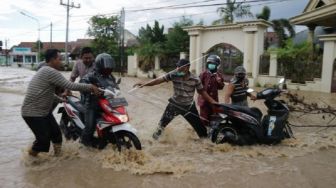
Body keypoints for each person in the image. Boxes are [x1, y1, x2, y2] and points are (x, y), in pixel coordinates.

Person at [21, 49, 101, 157]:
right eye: (59, 59)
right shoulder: (50, 71)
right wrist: (90, 87)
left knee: (57, 135)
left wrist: (61, 100)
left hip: (43, 112)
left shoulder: (44, 70)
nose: (61, 62)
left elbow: (45, 93)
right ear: (53, 60)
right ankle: (30, 160)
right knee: (43, 142)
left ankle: (58, 158)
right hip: (33, 113)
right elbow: (70, 85)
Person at [133, 59, 217, 140]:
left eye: (180, 67)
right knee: (160, 127)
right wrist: (144, 84)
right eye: (177, 67)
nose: (177, 69)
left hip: (189, 107)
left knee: (202, 132)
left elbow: (202, 92)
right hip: (174, 105)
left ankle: (207, 146)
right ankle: (153, 142)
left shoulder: (195, 79)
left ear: (187, 68)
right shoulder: (173, 74)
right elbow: (158, 81)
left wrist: (212, 101)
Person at [79, 53, 118, 147]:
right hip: (92, 104)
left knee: (116, 119)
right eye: (106, 65)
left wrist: (117, 90)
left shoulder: (110, 77)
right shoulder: (91, 75)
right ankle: (84, 142)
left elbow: (115, 86)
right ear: (100, 65)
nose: (108, 68)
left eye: (110, 65)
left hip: (107, 103)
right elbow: (82, 83)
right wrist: (91, 89)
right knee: (90, 126)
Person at [197, 55, 225, 127]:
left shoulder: (219, 75)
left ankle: (212, 133)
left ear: (217, 65)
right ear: (207, 64)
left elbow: (221, 87)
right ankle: (203, 134)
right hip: (204, 101)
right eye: (210, 64)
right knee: (204, 118)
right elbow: (198, 87)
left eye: (213, 64)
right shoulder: (203, 74)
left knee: (214, 118)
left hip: (214, 100)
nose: (211, 65)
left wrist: (219, 82)